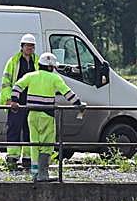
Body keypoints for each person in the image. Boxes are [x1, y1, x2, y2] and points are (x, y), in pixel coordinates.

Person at [9, 51, 86, 182]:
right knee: (46, 144)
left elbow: (16, 87)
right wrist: (79, 104)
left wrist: (14, 101)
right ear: (51, 67)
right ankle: (43, 174)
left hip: (32, 114)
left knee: (34, 143)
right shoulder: (55, 78)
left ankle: (34, 173)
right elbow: (67, 93)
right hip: (47, 115)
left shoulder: (31, 76)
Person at [0, 33, 37, 172]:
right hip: (16, 102)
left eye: (32, 46)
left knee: (29, 130)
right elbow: (6, 83)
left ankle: (27, 158)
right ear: (22, 47)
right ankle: (12, 158)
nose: (30, 48)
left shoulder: (37, 61)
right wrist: (9, 99)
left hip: (31, 101)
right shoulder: (13, 61)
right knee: (14, 129)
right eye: (27, 45)